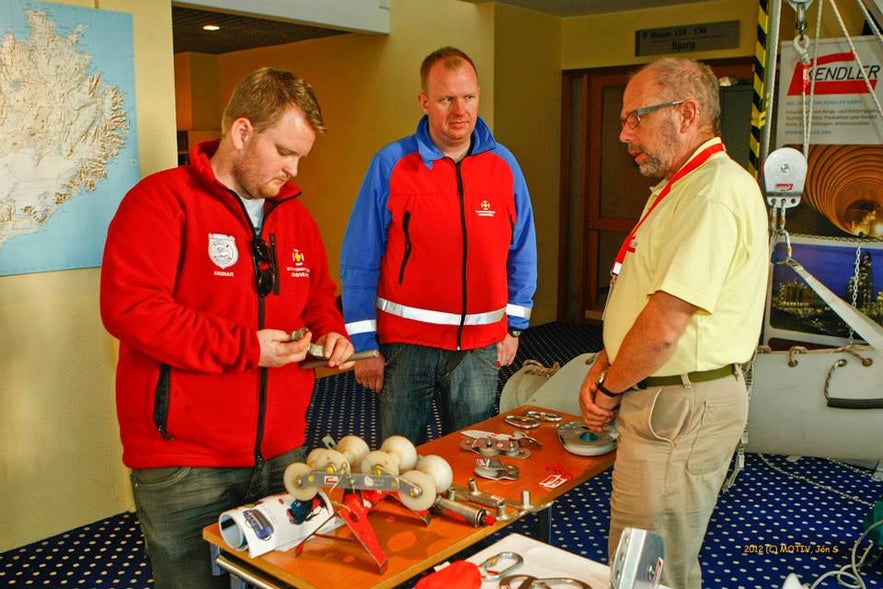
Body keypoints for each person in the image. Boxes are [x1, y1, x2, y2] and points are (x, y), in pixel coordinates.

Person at [100, 67, 353, 589]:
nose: (294, 167)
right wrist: (245, 348)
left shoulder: (295, 217)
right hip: (186, 463)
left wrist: (329, 332)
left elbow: (317, 298)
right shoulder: (160, 202)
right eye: (284, 152)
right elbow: (131, 309)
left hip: (283, 451)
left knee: (284, 582)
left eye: (301, 155)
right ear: (242, 132)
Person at [578, 57, 768, 589]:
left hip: (680, 406)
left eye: (635, 118)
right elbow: (645, 297)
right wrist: (609, 359)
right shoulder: (679, 186)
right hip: (662, 397)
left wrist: (611, 387)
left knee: (649, 570)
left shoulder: (713, 192)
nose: (623, 135)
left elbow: (665, 325)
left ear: (686, 114)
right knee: (650, 559)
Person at [339, 46, 537, 444]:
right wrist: (363, 346)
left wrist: (514, 326)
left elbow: (522, 250)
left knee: (469, 460)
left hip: (479, 350)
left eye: (469, 97)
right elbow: (360, 260)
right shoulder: (391, 164)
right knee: (399, 461)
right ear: (424, 101)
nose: (459, 110)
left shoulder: (504, 165)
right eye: (447, 99)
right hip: (407, 347)